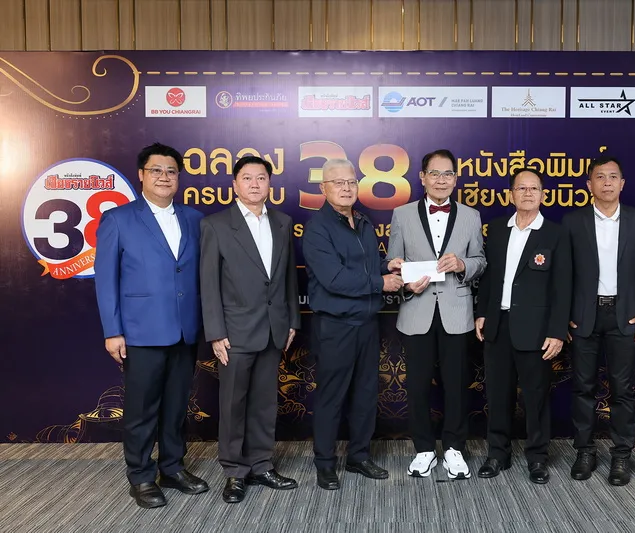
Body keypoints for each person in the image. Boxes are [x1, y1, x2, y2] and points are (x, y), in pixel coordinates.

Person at [94, 142, 208, 508]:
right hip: (140, 331)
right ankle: (141, 476)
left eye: (171, 171)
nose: (164, 177)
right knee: (142, 410)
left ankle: (172, 467)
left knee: (176, 406)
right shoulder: (118, 219)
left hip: (185, 330)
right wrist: (113, 331)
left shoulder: (195, 219)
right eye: (156, 170)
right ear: (141, 175)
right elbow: (106, 280)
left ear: (179, 178)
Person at [200, 156, 300, 503]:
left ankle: (261, 464)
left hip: (274, 328)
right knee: (233, 404)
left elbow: (288, 277)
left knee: (264, 403)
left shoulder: (283, 222)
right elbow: (208, 283)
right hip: (234, 331)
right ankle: (234, 471)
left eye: (261, 178)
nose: (255, 184)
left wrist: (292, 320)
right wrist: (216, 332)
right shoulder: (215, 225)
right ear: (235, 185)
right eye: (247, 178)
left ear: (270, 183)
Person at [302, 158, 404, 490]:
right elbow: (334, 279)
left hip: (367, 323)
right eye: (338, 182)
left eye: (351, 182)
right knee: (332, 397)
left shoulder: (362, 221)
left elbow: (368, 264)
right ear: (324, 188)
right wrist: (380, 282)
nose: (346, 188)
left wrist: (389, 266)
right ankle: (325, 463)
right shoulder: (317, 228)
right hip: (336, 325)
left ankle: (359, 457)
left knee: (365, 394)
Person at [387, 149, 486, 479]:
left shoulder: (471, 216)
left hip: (456, 312)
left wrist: (462, 264)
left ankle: (455, 448)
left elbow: (481, 261)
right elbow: (393, 260)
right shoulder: (402, 214)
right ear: (422, 177)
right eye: (435, 173)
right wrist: (403, 277)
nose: (441, 180)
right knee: (417, 386)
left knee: (456, 385)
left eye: (448, 174)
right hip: (417, 310)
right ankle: (424, 449)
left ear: (455, 179)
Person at [562, 156, 635, 486]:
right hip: (584, 317)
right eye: (600, 177)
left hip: (624, 315)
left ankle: (621, 455)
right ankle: (585, 451)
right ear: (588, 184)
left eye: (613, 177)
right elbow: (564, 274)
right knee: (583, 388)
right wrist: (564, 316)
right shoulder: (573, 221)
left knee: (623, 390)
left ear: (622, 183)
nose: (606, 182)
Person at [474, 168, 571, 484]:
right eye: (521, 188)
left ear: (543, 194)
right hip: (498, 325)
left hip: (537, 330)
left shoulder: (555, 234)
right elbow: (488, 277)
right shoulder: (497, 230)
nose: (528, 193)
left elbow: (562, 288)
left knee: (536, 397)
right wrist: (482, 312)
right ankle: (497, 454)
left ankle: (537, 458)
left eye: (534, 188)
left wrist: (557, 331)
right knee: (497, 395)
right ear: (511, 194)